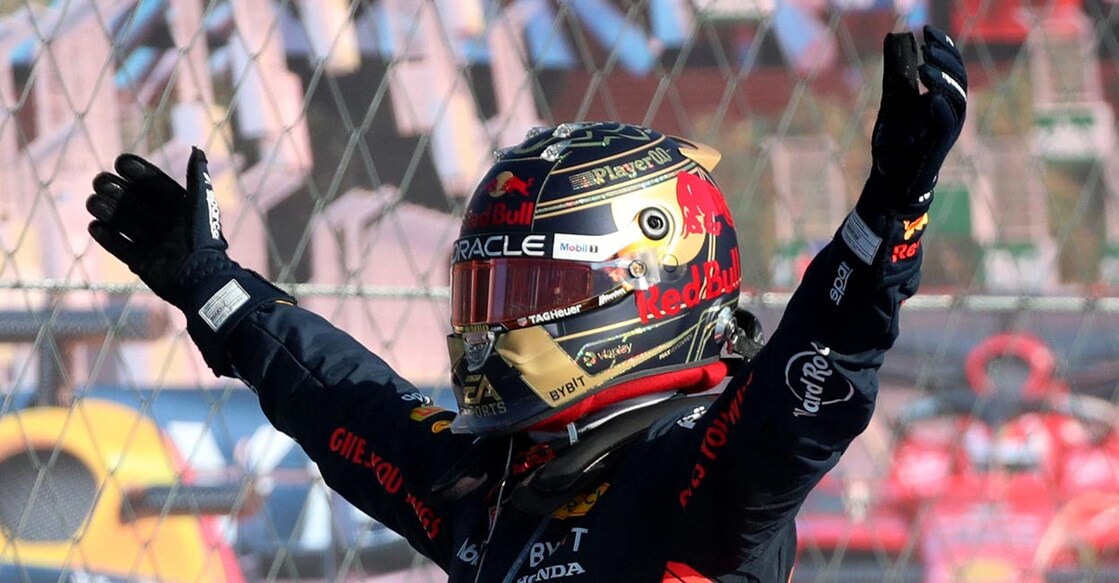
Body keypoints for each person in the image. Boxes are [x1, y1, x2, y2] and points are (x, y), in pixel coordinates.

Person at [86, 26, 966, 582]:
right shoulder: (497, 476)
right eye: (490, 290)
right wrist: (213, 289)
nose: (497, 324)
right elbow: (345, 403)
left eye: (536, 291)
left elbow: (813, 375)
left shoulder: (702, 468)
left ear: (648, 282)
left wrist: (887, 212)